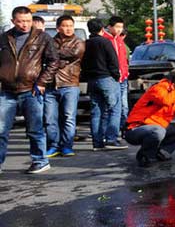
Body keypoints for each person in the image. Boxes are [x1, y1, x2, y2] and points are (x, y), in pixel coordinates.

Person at [0, 6, 60, 174]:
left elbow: (54, 61)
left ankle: (40, 161)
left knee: (35, 128)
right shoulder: (4, 38)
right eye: (20, 21)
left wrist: (42, 82)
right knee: (1, 130)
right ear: (13, 21)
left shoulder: (43, 38)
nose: (24, 25)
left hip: (32, 90)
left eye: (27, 21)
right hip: (6, 91)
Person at [124, 70, 175, 167]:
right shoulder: (159, 88)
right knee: (158, 131)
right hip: (135, 129)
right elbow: (166, 100)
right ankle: (144, 155)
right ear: (173, 83)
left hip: (157, 128)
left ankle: (161, 152)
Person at [82, 18, 128, 152]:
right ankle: (111, 139)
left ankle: (97, 142)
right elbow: (113, 62)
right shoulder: (106, 42)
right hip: (107, 79)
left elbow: (84, 63)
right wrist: (116, 76)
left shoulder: (87, 43)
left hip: (92, 80)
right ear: (103, 28)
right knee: (115, 109)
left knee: (96, 111)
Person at [44, 15, 85, 158]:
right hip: (51, 85)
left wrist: (53, 55)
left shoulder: (78, 42)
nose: (68, 28)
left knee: (69, 117)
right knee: (50, 119)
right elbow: (44, 56)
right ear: (58, 28)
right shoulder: (50, 42)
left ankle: (67, 146)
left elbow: (74, 54)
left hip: (70, 84)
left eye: (70, 26)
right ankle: (53, 146)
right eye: (65, 25)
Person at [101, 16, 130, 145]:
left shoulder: (119, 40)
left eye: (121, 27)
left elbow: (123, 59)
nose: (119, 30)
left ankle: (123, 131)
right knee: (111, 108)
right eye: (117, 27)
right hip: (112, 79)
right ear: (110, 27)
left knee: (124, 107)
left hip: (123, 78)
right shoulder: (105, 40)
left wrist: (125, 73)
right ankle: (108, 135)